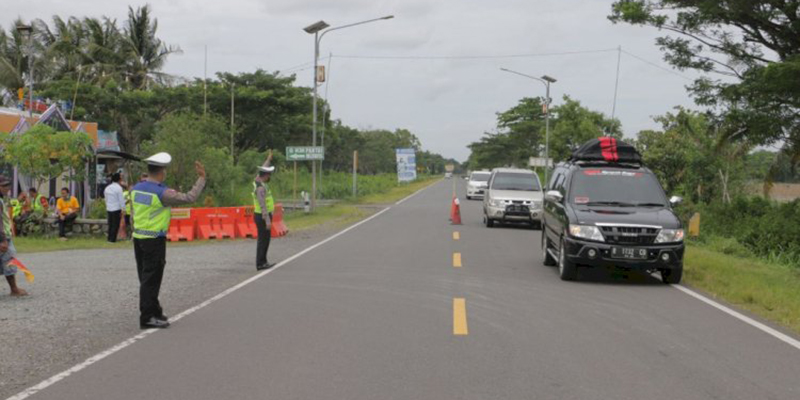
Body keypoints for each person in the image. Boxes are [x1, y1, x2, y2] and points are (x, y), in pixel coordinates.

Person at [131, 152, 206, 329]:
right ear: (161, 172)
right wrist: (201, 178)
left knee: (146, 277)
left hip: (138, 238)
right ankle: (147, 317)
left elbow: (133, 214)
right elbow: (189, 197)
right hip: (154, 239)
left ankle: (155, 310)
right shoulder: (162, 193)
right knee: (152, 279)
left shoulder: (136, 188)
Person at [0, 175, 27, 296]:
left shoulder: (3, 199)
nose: (7, 187)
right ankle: (14, 289)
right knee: (9, 260)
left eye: (8, 185)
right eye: (4, 185)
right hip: (3, 236)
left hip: (5, 235)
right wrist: (3, 240)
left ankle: (14, 289)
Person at [252, 150, 276, 271]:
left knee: (266, 239)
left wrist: (268, 159)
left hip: (262, 216)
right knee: (263, 240)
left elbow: (263, 168)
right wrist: (267, 220)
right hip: (262, 216)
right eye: (268, 175)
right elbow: (262, 205)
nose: (269, 177)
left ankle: (263, 261)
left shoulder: (257, 180)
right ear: (264, 176)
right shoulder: (260, 188)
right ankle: (260, 263)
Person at [103, 173, 125, 243]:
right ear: (119, 179)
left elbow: (106, 198)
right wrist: (123, 209)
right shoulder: (119, 188)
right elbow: (121, 199)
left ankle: (109, 238)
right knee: (115, 224)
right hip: (116, 208)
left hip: (109, 208)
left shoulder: (107, 188)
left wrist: (107, 206)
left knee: (110, 224)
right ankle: (113, 239)